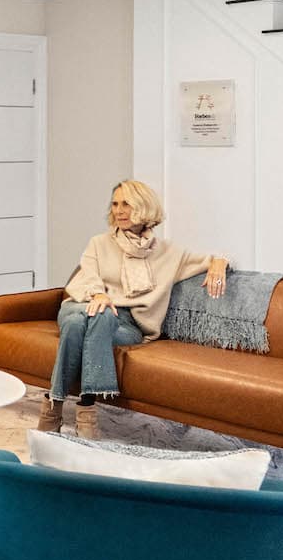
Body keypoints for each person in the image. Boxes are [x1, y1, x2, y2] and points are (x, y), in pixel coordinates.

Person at [41, 179, 227, 435]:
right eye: (115, 204)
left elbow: (210, 260)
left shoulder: (168, 252)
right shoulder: (99, 242)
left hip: (127, 325)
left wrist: (220, 263)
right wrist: (98, 294)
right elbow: (89, 275)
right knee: (88, 316)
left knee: (86, 324)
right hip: (80, 305)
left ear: (144, 207)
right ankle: (87, 413)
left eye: (126, 204)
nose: (119, 210)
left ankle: (53, 408)